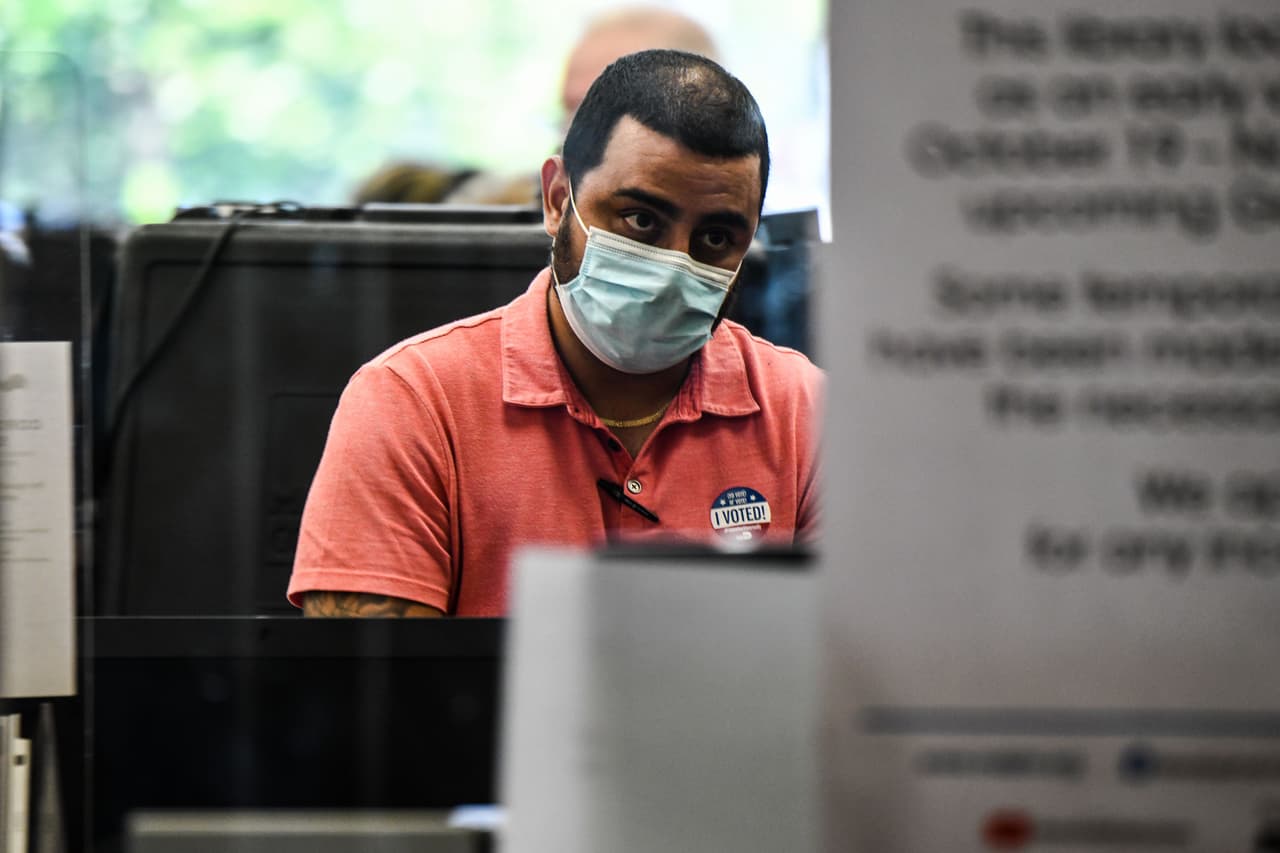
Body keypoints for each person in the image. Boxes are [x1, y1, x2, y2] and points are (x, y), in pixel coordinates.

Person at [288, 49, 821, 618]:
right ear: (557, 198)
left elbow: (860, 658)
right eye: (640, 220)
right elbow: (369, 673)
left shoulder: (808, 412)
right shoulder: (413, 402)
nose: (673, 267)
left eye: (715, 238)